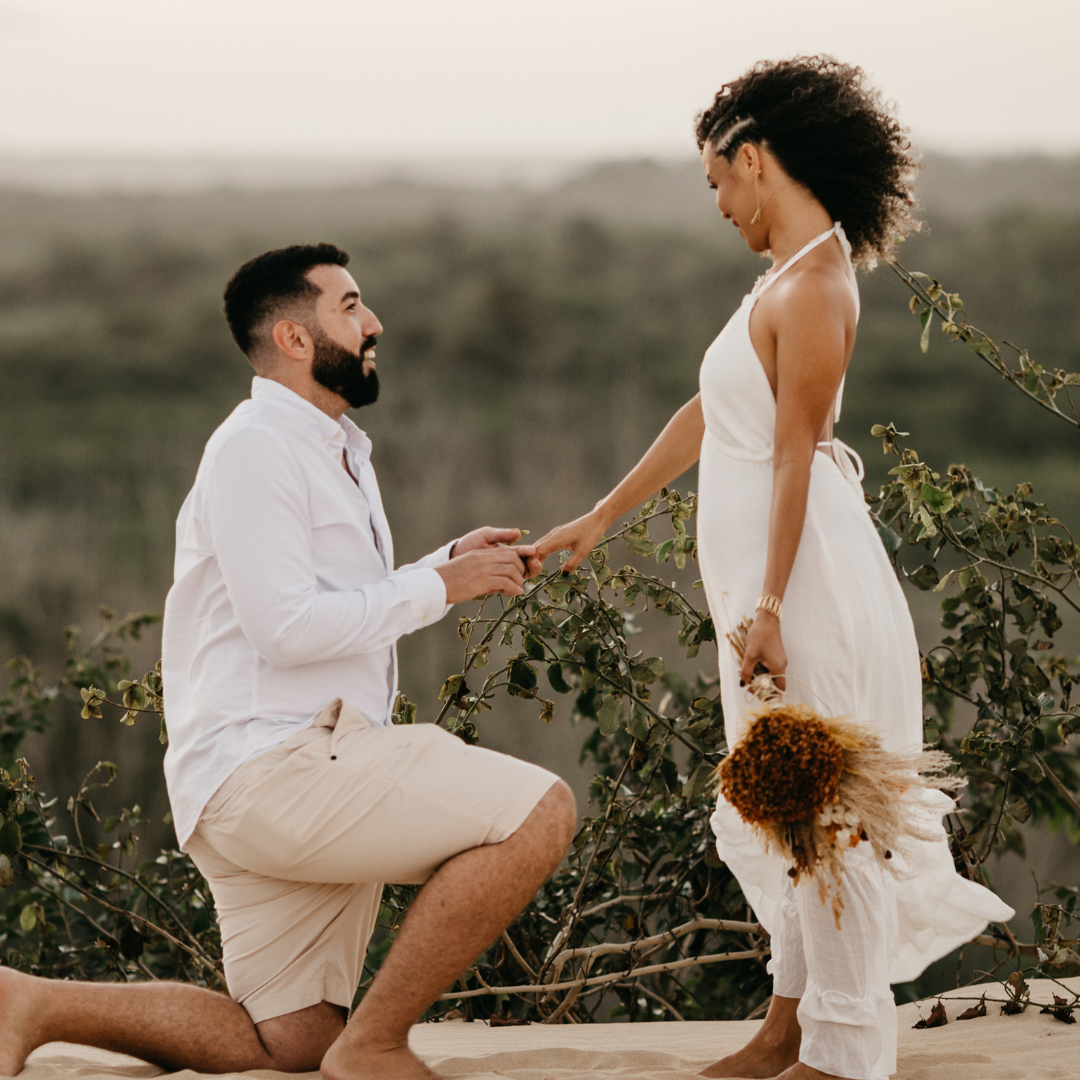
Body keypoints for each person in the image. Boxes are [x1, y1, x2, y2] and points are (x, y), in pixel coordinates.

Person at [534, 58, 1012, 1080]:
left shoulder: (819, 285)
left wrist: (768, 605)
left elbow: (794, 452)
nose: (717, 205)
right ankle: (786, 1028)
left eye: (717, 180)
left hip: (804, 588)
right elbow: (715, 417)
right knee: (785, 800)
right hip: (774, 582)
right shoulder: (785, 279)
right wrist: (601, 517)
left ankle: (842, 1052)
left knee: (822, 811)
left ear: (755, 157)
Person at [0, 243, 576, 1080]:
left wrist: (436, 567)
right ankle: (378, 1046)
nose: (373, 322)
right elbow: (285, 630)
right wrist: (439, 590)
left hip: (265, 776)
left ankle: (32, 1003)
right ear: (294, 338)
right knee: (540, 813)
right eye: (349, 306)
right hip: (279, 767)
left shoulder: (326, 444)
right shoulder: (256, 449)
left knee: (291, 1046)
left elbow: (322, 603)